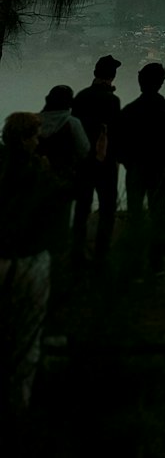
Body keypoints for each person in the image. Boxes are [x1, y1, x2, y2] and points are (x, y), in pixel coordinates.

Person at [0, 112, 64, 422]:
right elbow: (55, 209)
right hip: (30, 258)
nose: (38, 143)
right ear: (25, 140)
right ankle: (19, 405)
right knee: (28, 333)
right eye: (34, 137)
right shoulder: (38, 174)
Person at [117, 62, 165, 272]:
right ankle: (156, 260)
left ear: (140, 81)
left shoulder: (130, 110)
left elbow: (121, 144)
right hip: (160, 169)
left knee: (135, 215)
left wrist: (129, 164)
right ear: (161, 82)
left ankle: (134, 260)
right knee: (158, 214)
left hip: (136, 169)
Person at [72, 53, 122, 266]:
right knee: (107, 208)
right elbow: (115, 132)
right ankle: (101, 253)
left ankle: (77, 251)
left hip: (83, 160)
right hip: (106, 162)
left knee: (82, 207)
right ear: (112, 77)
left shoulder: (81, 96)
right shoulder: (112, 100)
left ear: (95, 73)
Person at [37, 85, 90, 263]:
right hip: (64, 179)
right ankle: (58, 261)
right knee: (61, 221)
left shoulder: (35, 121)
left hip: (38, 179)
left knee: (40, 219)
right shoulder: (72, 122)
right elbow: (84, 150)